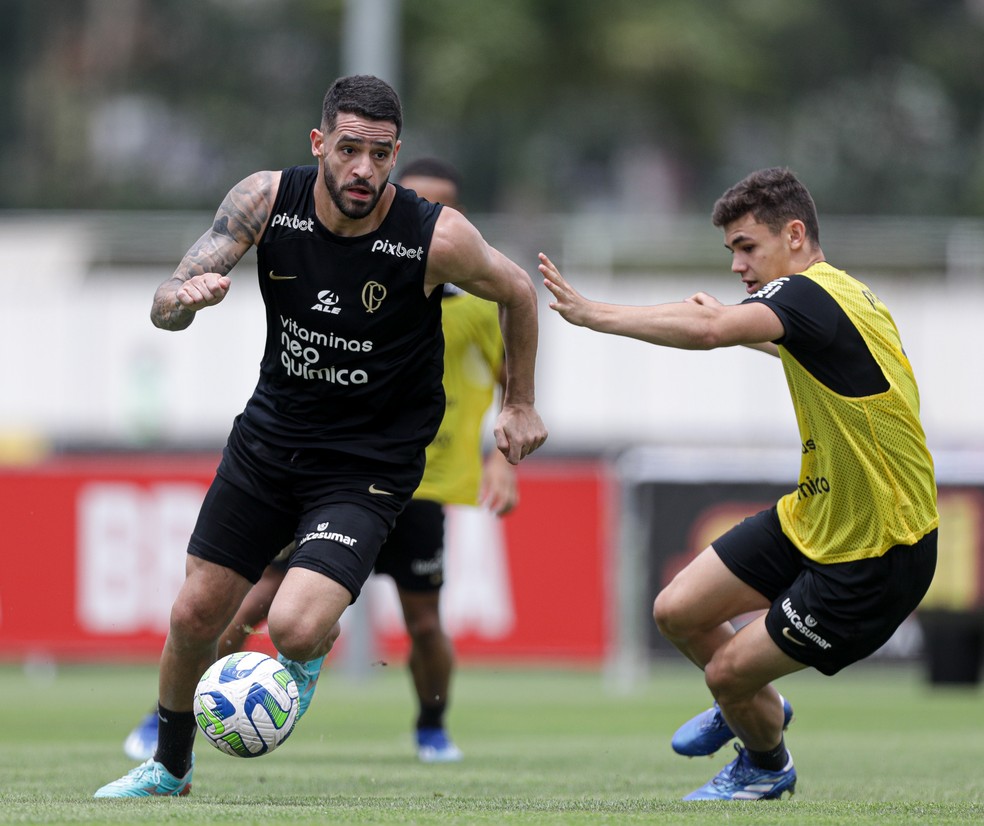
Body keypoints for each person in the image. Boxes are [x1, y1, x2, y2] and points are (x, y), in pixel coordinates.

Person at [96, 75, 546, 798]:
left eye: (380, 154)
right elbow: (163, 303)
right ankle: (169, 767)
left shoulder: (435, 235)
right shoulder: (265, 200)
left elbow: (518, 292)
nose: (363, 170)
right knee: (194, 615)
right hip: (269, 442)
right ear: (319, 144)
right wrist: (184, 301)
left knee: (295, 627)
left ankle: (318, 659)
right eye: (348, 150)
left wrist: (519, 403)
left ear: (395, 153)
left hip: (368, 461)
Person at [540, 166, 938, 801]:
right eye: (732, 251)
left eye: (747, 247)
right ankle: (757, 708)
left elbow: (710, 331)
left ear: (796, 235)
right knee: (677, 610)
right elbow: (772, 339)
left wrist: (595, 314)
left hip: (879, 551)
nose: (737, 265)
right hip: (818, 517)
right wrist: (725, 317)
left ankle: (765, 763)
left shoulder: (806, 295)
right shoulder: (836, 296)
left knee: (726, 673)